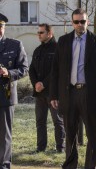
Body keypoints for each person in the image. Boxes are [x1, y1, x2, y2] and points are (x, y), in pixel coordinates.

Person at [50, 8, 96, 169]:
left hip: (89, 93)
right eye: (76, 22)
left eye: (83, 21)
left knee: (92, 133)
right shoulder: (63, 41)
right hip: (68, 93)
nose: (80, 24)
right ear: (72, 23)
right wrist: (53, 95)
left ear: (88, 22)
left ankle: (91, 166)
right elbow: (55, 70)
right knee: (70, 133)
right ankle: (70, 165)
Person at [29, 23, 65, 153]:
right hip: (39, 93)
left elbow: (58, 71)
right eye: (38, 32)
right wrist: (36, 84)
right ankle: (40, 148)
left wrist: (43, 83)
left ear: (50, 33)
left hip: (53, 92)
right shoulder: (37, 50)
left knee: (58, 121)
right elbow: (31, 69)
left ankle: (61, 147)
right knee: (40, 121)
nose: (39, 35)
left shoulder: (58, 49)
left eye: (41, 32)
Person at [0, 13, 28, 169]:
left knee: (4, 135)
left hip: (5, 95)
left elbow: (24, 69)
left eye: (1, 26)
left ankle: (4, 165)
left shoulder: (14, 45)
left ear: (4, 27)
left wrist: (8, 73)